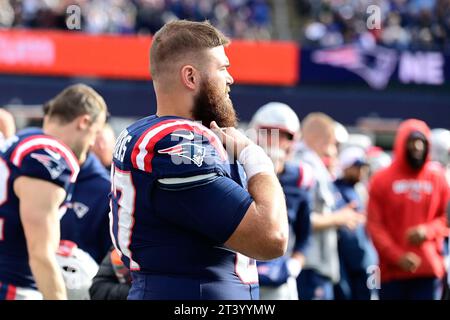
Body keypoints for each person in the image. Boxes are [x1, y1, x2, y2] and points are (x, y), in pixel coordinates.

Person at [109, 20, 288, 300]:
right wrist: (256, 158)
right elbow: (272, 237)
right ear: (191, 77)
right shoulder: (177, 143)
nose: (230, 78)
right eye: (222, 68)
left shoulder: (145, 131)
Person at [0, 84, 108, 300]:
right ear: (84, 122)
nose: (92, 143)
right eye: (95, 133)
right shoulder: (50, 157)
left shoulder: (23, 140)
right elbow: (41, 255)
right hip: (13, 286)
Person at [367, 119, 449, 300]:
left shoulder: (438, 178)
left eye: (422, 142)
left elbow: (445, 218)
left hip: (428, 270)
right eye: (412, 141)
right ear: (401, 143)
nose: (418, 147)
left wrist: (427, 231)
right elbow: (374, 225)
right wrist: (397, 256)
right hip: (392, 272)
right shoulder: (381, 179)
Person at [294, 112, 365, 300]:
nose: (334, 150)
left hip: (315, 267)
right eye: (333, 143)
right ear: (321, 139)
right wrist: (339, 218)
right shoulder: (306, 167)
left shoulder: (314, 166)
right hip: (309, 267)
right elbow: (298, 218)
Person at [249, 102, 313, 300]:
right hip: (242, 272)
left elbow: (305, 232)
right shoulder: (239, 172)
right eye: (268, 133)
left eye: (282, 135)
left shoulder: (300, 178)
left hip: (279, 276)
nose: (274, 141)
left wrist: (295, 264)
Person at [333, 146, 376, 300]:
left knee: (371, 294)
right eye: (357, 167)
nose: (361, 172)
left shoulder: (363, 190)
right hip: (343, 257)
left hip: (367, 257)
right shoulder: (334, 188)